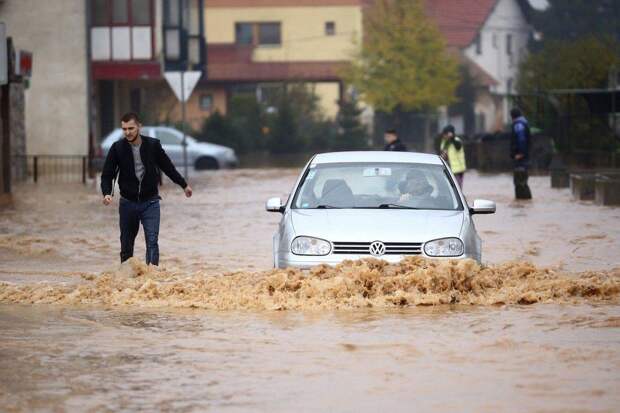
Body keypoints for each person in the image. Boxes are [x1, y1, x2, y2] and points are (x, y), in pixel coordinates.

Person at [101, 112, 193, 265]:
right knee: (126, 245)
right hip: (127, 203)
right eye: (124, 129)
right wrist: (107, 193)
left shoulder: (153, 145)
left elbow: (167, 167)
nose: (128, 132)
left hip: (150, 202)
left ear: (139, 127)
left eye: (131, 128)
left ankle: (151, 279)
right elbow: (107, 174)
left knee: (152, 242)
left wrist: (184, 185)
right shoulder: (117, 148)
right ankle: (126, 280)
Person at [510, 108, 532, 200]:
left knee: (520, 181)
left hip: (521, 158)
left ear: (513, 117)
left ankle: (523, 201)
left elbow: (521, 139)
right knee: (522, 180)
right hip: (523, 158)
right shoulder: (523, 123)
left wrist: (520, 153)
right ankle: (524, 203)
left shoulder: (519, 124)